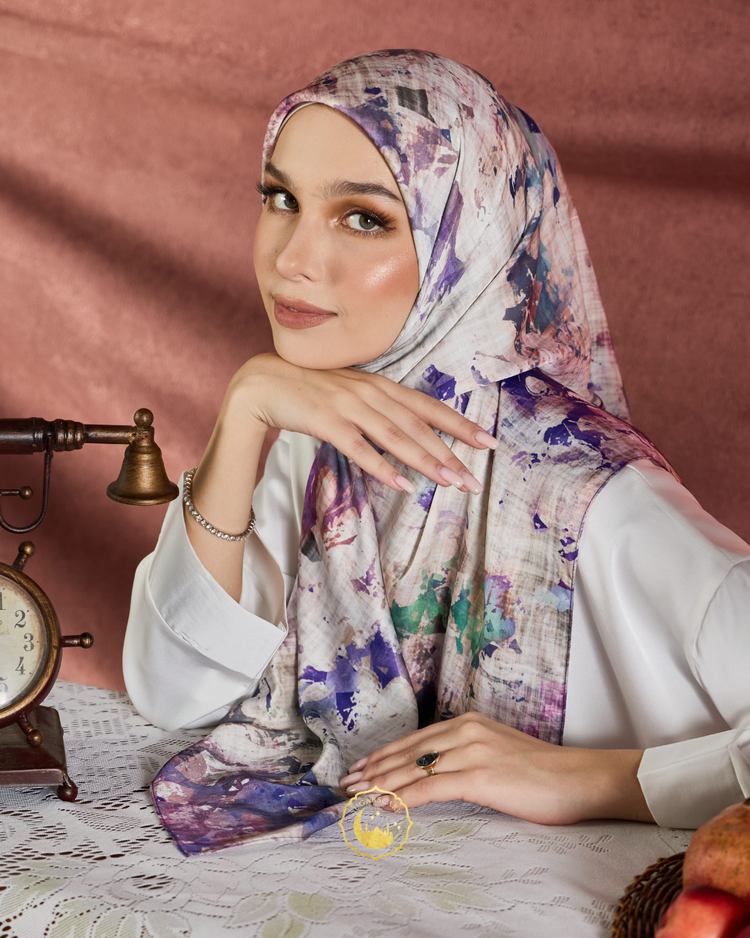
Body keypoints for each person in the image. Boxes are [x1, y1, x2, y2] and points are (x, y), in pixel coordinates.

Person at [123, 49, 750, 855]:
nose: (291, 260)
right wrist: (244, 409)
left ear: (470, 239)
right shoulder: (320, 446)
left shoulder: (585, 498)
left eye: (364, 218)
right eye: (281, 199)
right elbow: (174, 688)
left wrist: (592, 780)